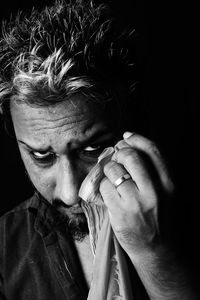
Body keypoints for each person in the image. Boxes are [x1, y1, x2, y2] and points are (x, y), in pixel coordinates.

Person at [0, 0, 197, 299]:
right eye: (42, 156)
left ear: (132, 125)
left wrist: (154, 255)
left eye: (92, 148)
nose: (70, 193)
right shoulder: (4, 249)